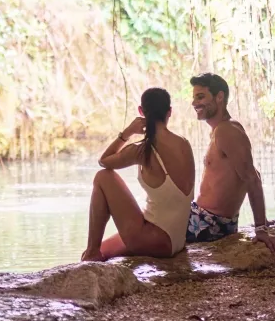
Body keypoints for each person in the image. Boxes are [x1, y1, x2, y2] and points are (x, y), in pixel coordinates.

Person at [80, 87, 195, 261]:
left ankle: (91, 251)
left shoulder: (142, 150)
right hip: (177, 241)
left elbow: (104, 161)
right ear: (169, 112)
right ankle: (95, 252)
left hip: (155, 240)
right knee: (105, 251)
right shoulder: (184, 143)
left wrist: (127, 132)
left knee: (103, 177)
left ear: (141, 112)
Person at [187, 72, 275, 257]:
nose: (194, 103)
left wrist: (261, 229)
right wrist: (262, 219)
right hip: (204, 219)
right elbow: (252, 172)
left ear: (219, 97)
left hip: (208, 224)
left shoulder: (227, 131)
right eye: (194, 98)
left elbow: (252, 178)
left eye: (200, 97)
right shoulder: (221, 130)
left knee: (147, 226)